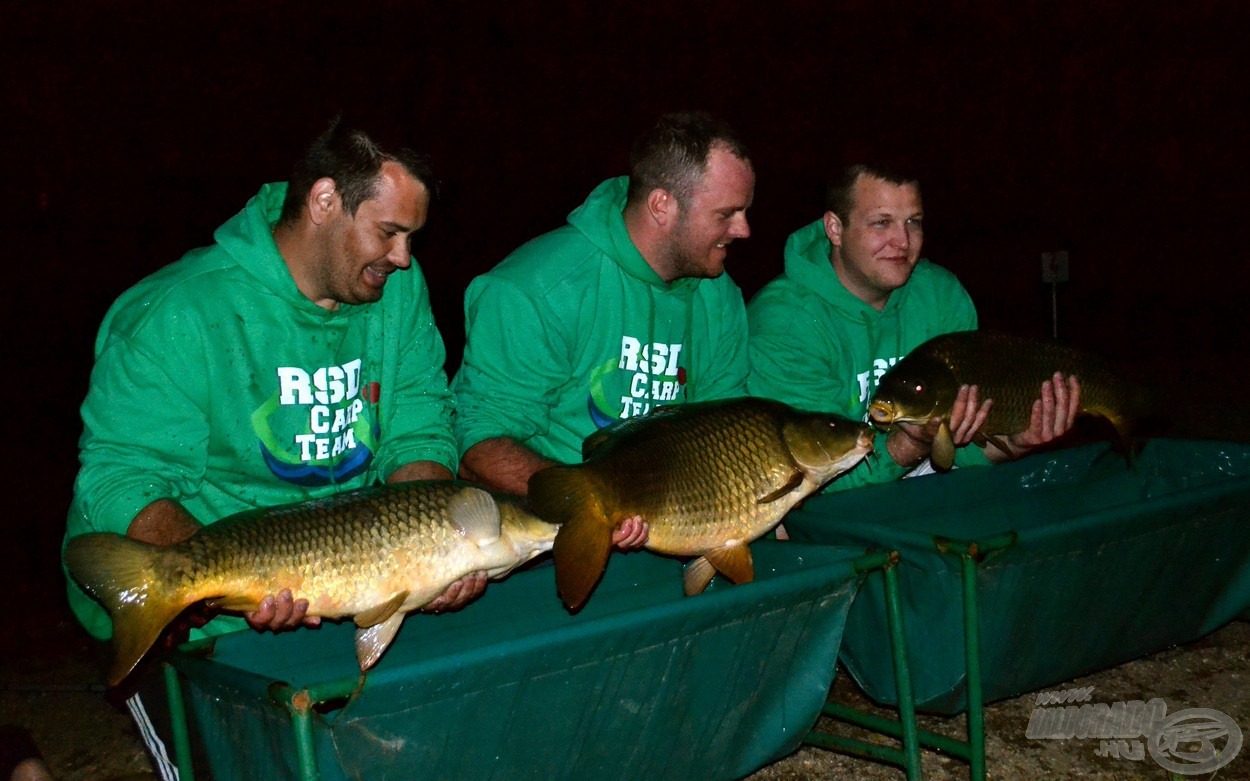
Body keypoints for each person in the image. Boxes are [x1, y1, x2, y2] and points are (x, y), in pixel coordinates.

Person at [63, 118, 474, 778]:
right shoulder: (178, 313)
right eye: (389, 232)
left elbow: (419, 432)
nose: (403, 258)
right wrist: (227, 582)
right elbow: (123, 479)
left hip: (347, 577)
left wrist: (436, 549)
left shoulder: (399, 293)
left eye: (411, 238)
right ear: (323, 201)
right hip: (197, 622)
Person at [451, 110, 754, 547]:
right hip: (541, 541)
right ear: (662, 206)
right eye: (727, 213)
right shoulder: (536, 289)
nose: (743, 229)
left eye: (744, 211)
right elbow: (478, 445)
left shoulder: (717, 295)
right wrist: (592, 501)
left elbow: (728, 430)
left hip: (672, 524)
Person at [747, 163, 1080, 492]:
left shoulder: (941, 296)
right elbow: (815, 480)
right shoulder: (786, 323)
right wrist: (909, 444)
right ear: (834, 229)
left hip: (925, 489)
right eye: (882, 223)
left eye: (913, 223)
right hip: (821, 505)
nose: (903, 241)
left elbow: (961, 453)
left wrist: (1016, 441)